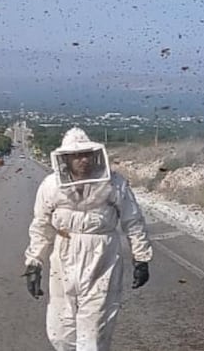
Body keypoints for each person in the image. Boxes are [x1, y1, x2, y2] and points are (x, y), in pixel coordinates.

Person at [23, 128, 152, 351]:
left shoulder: (114, 183)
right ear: (66, 159)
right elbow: (41, 227)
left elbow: (133, 221)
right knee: (61, 334)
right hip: (62, 261)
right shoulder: (51, 186)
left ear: (94, 155)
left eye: (85, 154)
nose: (82, 160)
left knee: (93, 334)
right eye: (76, 156)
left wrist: (141, 258)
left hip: (102, 260)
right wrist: (34, 263)